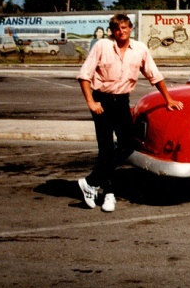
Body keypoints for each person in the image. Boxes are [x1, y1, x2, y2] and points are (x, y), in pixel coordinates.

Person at [77, 13, 183, 212]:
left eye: (124, 28)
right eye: (117, 29)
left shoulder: (140, 49)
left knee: (128, 144)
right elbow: (85, 75)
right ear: (112, 31)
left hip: (122, 102)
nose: (121, 32)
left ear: (130, 28)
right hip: (102, 102)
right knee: (106, 149)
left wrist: (168, 99)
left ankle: (91, 181)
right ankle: (109, 194)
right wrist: (91, 102)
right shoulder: (101, 46)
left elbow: (154, 74)